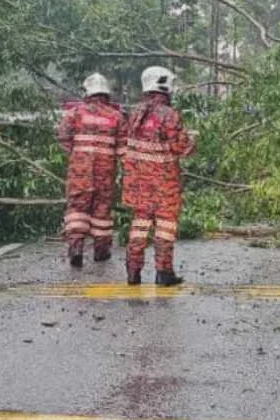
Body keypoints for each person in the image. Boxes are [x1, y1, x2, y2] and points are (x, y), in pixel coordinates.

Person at [121, 66, 196, 286]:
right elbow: (181, 147)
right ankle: (164, 273)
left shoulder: (135, 113)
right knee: (165, 227)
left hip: (138, 183)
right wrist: (191, 141)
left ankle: (133, 272)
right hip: (164, 184)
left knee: (139, 225)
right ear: (165, 85)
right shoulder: (169, 115)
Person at [55, 73, 127, 267]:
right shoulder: (116, 117)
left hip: (79, 173)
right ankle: (101, 251)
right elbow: (122, 149)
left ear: (87, 92)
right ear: (106, 93)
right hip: (105, 173)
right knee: (102, 211)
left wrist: (78, 156)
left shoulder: (75, 114)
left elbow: (62, 138)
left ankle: (76, 249)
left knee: (77, 209)